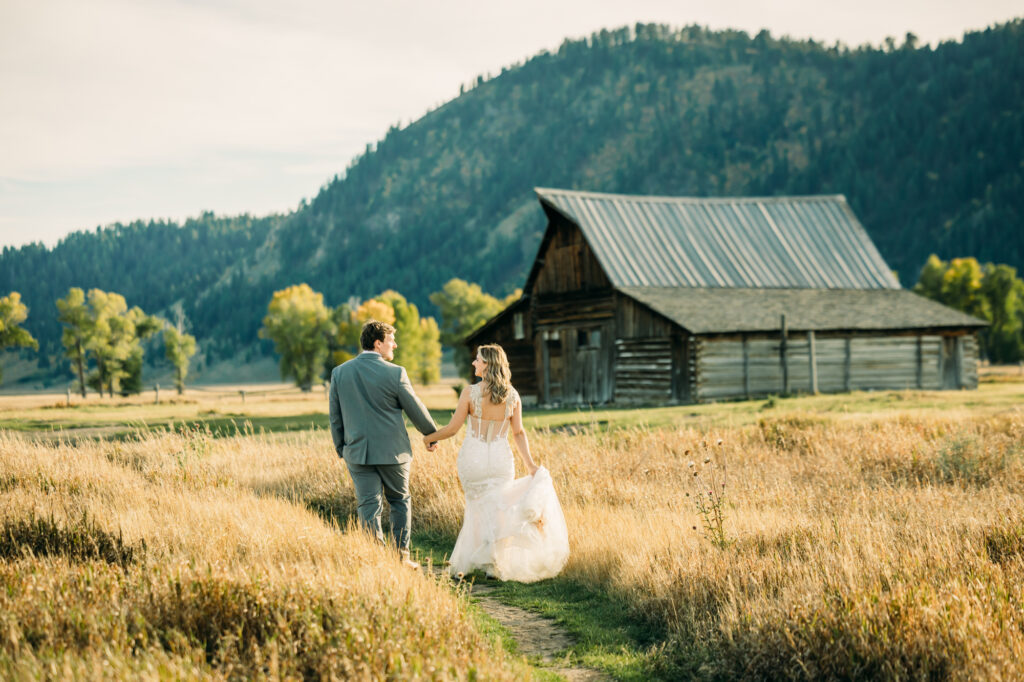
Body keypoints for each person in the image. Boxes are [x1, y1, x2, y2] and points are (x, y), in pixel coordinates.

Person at [424, 344, 569, 582]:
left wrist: (428, 438)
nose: (474, 363)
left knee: (477, 508)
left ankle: (475, 560)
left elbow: (452, 429)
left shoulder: (470, 393)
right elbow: (519, 433)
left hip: (474, 458)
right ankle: (494, 565)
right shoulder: (512, 395)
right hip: (502, 460)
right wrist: (530, 465)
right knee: (500, 509)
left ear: (489, 364)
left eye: (478, 360)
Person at [329, 320, 438, 570]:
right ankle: (401, 558)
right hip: (394, 453)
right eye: (391, 340)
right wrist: (430, 434)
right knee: (399, 501)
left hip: (356, 453)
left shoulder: (340, 373)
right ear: (378, 343)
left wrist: (341, 448)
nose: (395, 345)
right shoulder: (396, 372)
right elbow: (415, 408)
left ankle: (375, 561)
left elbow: (335, 416)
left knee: (368, 506)